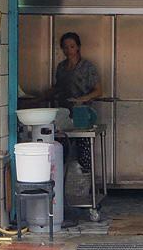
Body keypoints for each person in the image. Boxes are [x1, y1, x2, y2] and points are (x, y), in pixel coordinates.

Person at [41, 32, 102, 172]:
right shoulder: (61, 68)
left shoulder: (87, 67)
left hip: (82, 116)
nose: (69, 50)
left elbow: (99, 90)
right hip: (63, 115)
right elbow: (57, 88)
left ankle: (86, 185)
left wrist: (82, 99)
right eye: (65, 47)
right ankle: (61, 185)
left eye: (72, 46)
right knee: (60, 152)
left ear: (78, 47)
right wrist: (38, 99)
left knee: (84, 154)